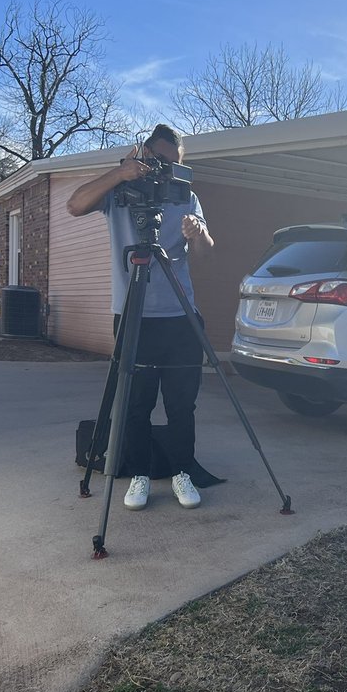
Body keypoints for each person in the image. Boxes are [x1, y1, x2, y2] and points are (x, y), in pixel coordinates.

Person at [67, 124, 214, 511]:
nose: (167, 169)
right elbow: (75, 205)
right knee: (135, 403)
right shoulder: (118, 192)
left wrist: (198, 234)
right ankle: (140, 475)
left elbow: (205, 253)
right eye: (161, 160)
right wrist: (120, 172)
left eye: (175, 163)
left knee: (182, 403)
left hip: (181, 315)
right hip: (134, 313)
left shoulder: (186, 195)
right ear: (144, 154)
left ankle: (183, 471)